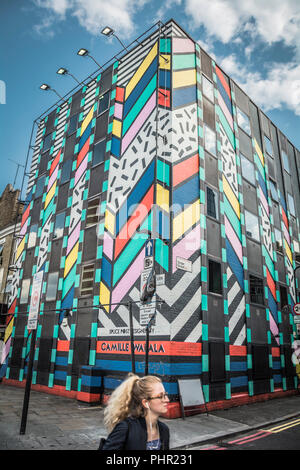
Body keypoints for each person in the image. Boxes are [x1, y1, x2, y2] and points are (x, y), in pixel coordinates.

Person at [101, 373, 170, 450]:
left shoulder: (164, 430)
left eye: (165, 395)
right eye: (160, 396)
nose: (167, 400)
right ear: (145, 403)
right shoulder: (126, 428)